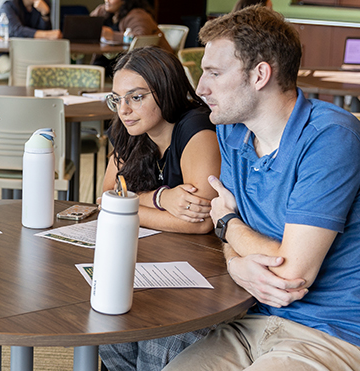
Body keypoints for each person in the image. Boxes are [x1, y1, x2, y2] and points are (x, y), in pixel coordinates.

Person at [162, 6, 360, 370]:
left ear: (260, 74)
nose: (201, 88)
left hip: (340, 335)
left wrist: (227, 224)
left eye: (214, 73)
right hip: (253, 323)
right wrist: (235, 264)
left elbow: (291, 274)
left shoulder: (331, 138)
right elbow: (232, 236)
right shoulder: (232, 131)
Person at [96, 46, 219, 371]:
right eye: (117, 99)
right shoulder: (130, 127)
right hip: (154, 259)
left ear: (165, 90)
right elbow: (107, 198)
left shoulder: (196, 127)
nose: (124, 109)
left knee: (156, 348)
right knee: (110, 331)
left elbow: (200, 222)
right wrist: (162, 199)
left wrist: (128, 205)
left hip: (202, 272)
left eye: (136, 97)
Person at [89, 0, 173, 75]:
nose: (107, 0)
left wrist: (113, 36)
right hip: (113, 59)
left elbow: (141, 37)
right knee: (94, 70)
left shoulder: (138, 15)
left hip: (146, 66)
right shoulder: (104, 11)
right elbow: (87, 24)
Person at [0, 0, 62, 74]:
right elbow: (17, 31)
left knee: (49, 70)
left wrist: (45, 13)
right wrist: (48, 34)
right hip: (0, 54)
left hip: (27, 54)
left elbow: (46, 32)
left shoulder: (42, 5)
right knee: (18, 71)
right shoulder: (9, 5)